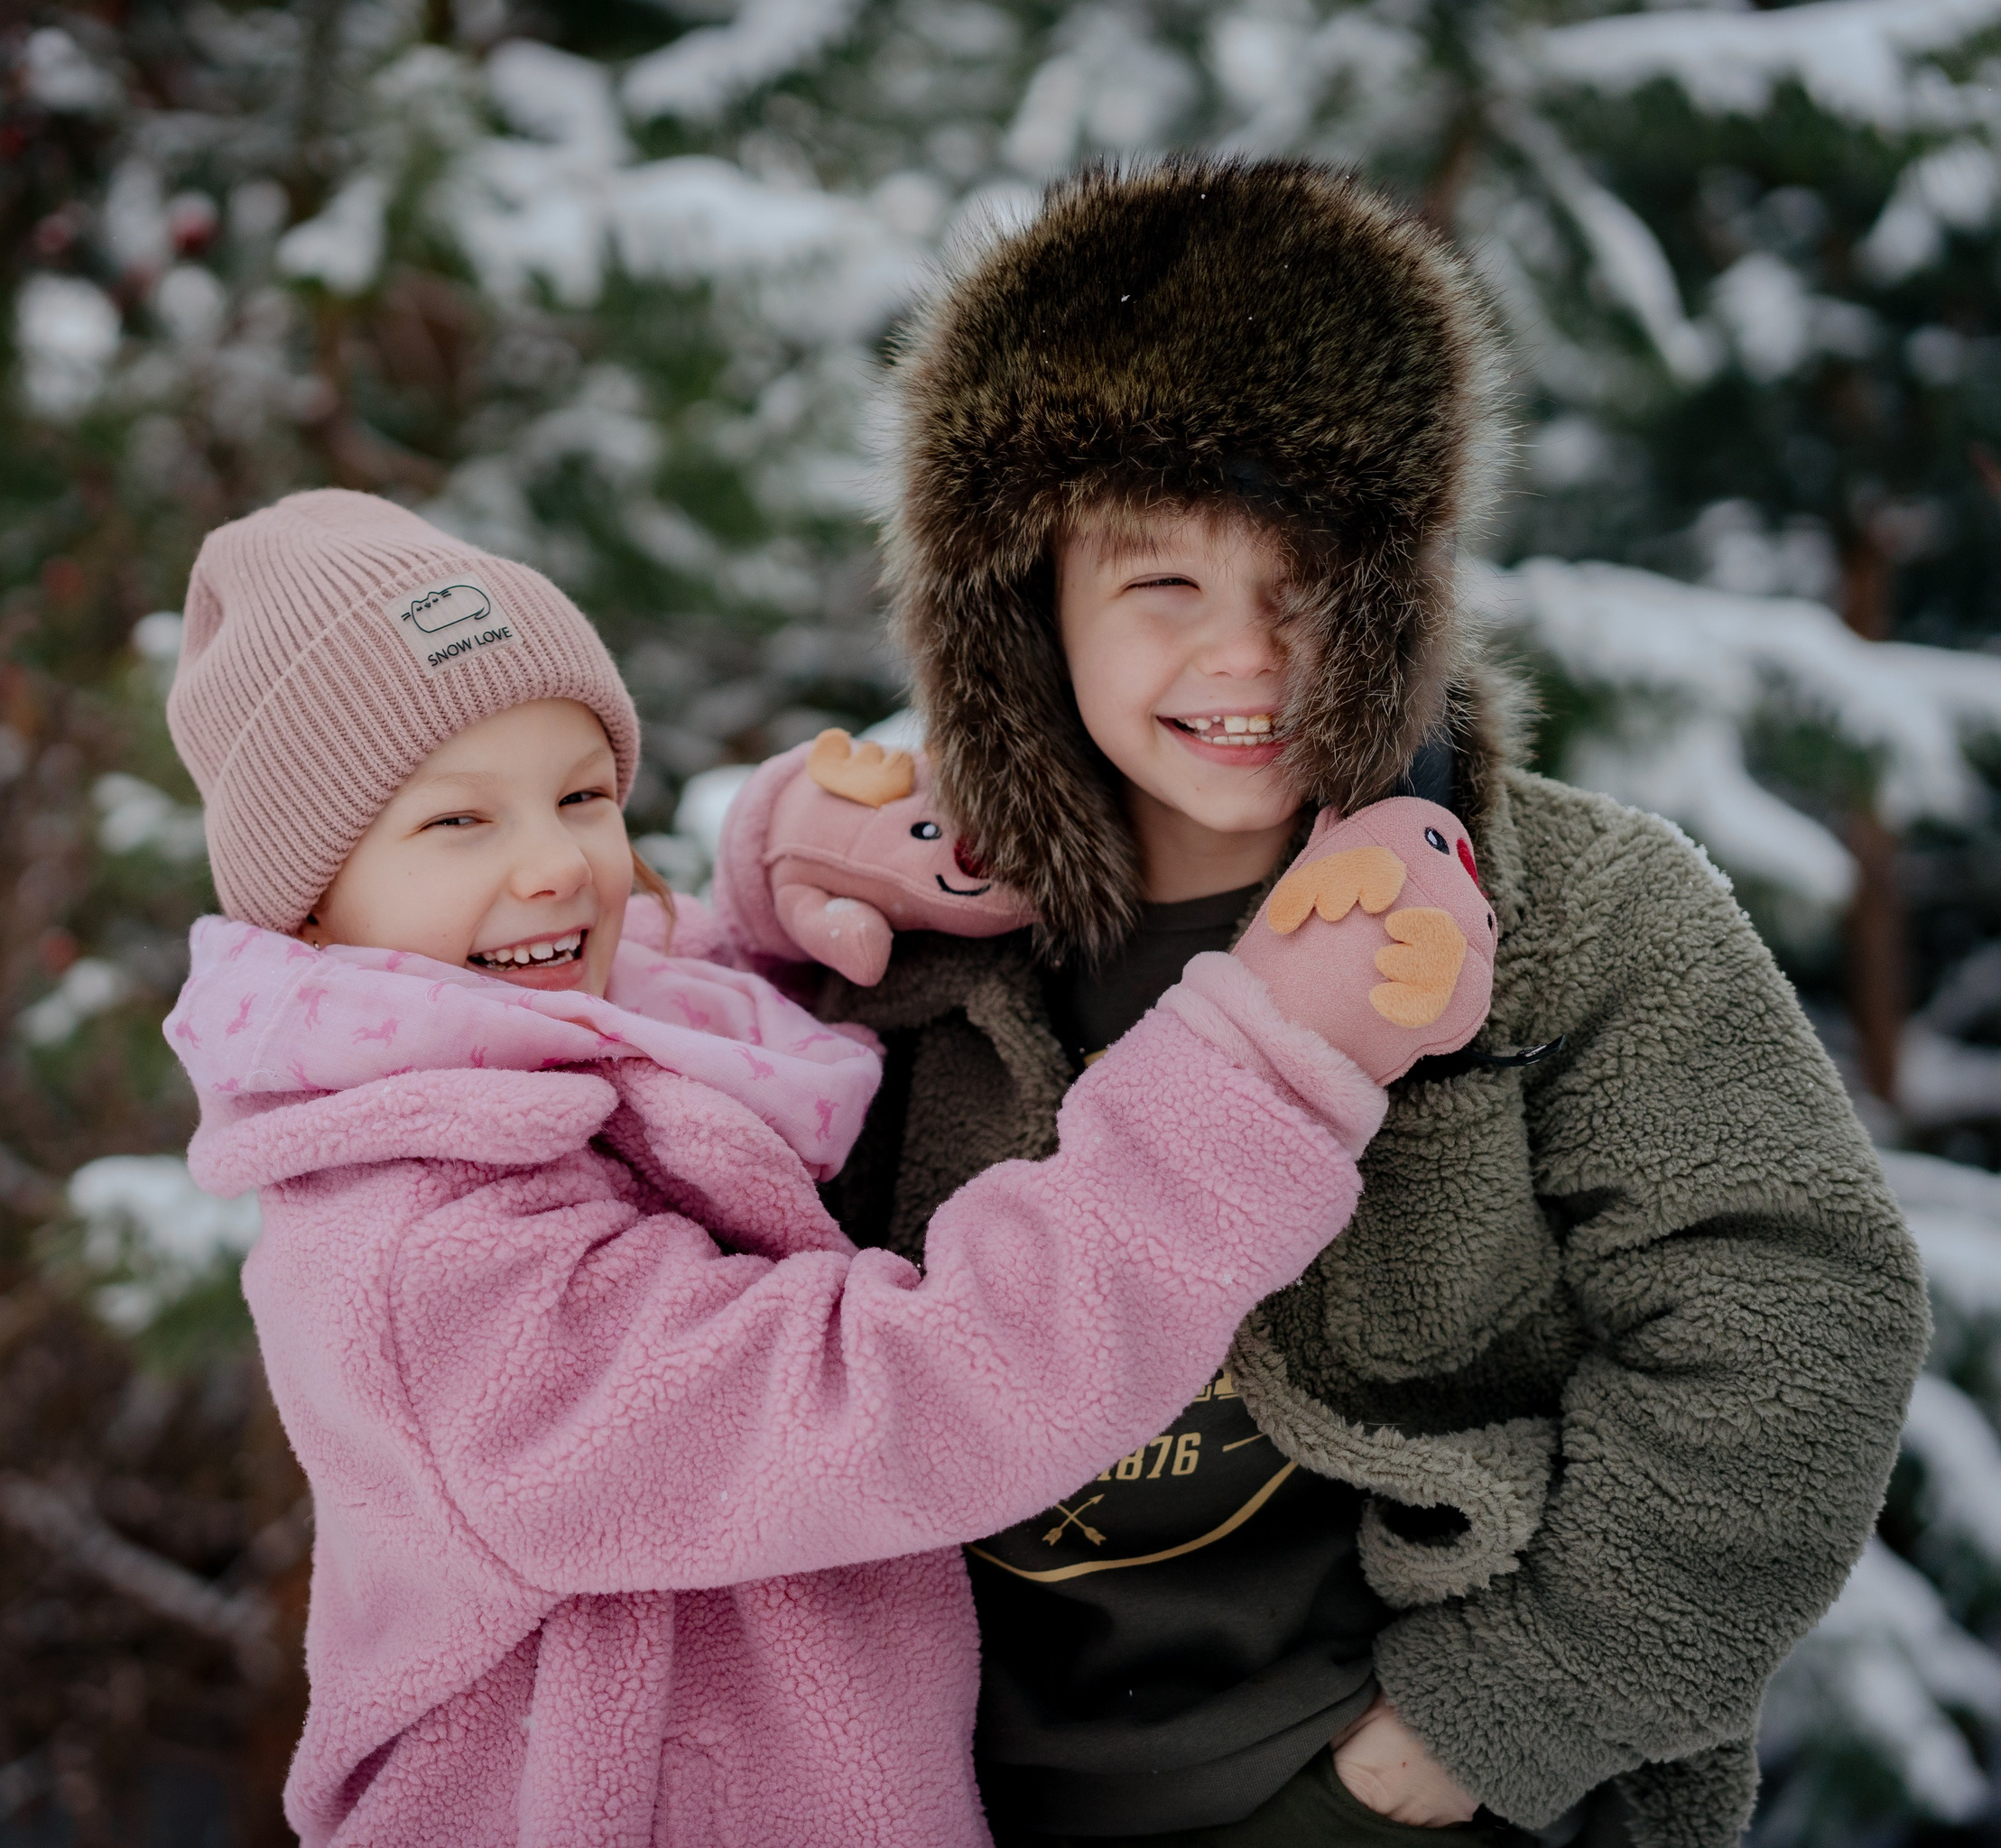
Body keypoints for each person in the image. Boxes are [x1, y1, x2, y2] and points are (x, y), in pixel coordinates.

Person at [769, 159, 1929, 1846]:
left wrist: (1474, 1736)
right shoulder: (899, 940)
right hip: (950, 1791)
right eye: (1161, 585)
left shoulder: (1574, 915)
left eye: (1304, 586)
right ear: (1027, 608)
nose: (1245, 658)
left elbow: (1798, 1324)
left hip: (1393, 1786)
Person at [157, 487, 1491, 1846]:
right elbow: (910, 1395)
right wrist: (1264, 1062)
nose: (559, 865)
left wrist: (782, 859)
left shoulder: (550, 1042)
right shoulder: (425, 1265)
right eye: (457, 824)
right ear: (312, 902)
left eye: (580, 796)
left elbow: (683, 1040)